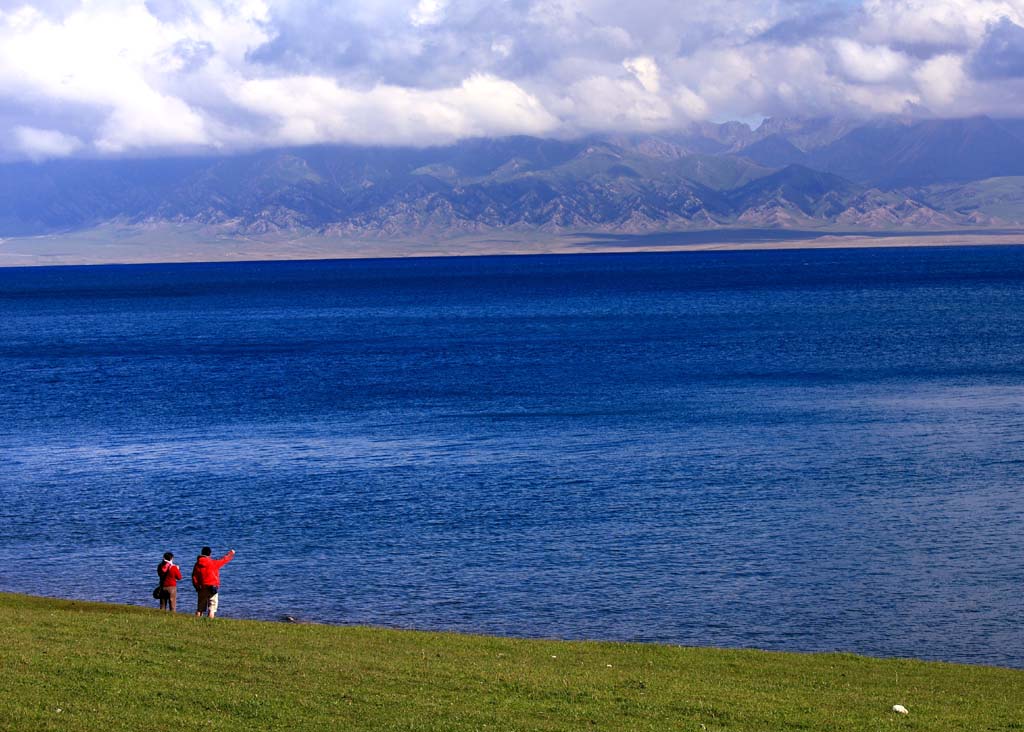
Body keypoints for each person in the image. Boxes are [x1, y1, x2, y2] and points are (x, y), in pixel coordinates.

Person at [191, 546, 236, 618]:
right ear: (210, 554)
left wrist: (196, 586)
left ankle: (196, 622)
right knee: (212, 607)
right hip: (212, 587)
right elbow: (224, 560)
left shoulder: (197, 564)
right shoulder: (213, 563)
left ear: (201, 553)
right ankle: (210, 623)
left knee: (200, 608)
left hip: (202, 587)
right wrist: (231, 553)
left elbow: (194, 576)